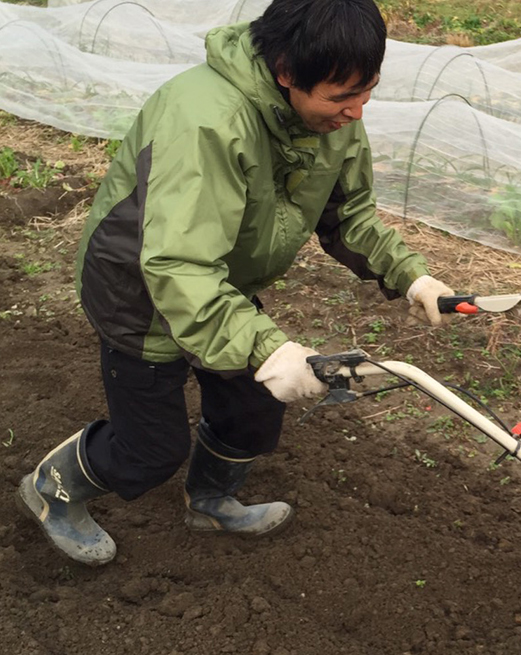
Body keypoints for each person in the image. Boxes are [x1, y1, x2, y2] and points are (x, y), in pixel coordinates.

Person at [16, 0, 454, 566]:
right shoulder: (205, 121)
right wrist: (272, 348)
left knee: (254, 409)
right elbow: (177, 265)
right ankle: (51, 488)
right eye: (343, 96)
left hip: (218, 281)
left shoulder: (329, 120)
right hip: (139, 291)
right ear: (286, 73)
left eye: (368, 90)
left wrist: (413, 276)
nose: (358, 112)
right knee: (150, 449)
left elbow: (348, 216)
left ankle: (210, 500)